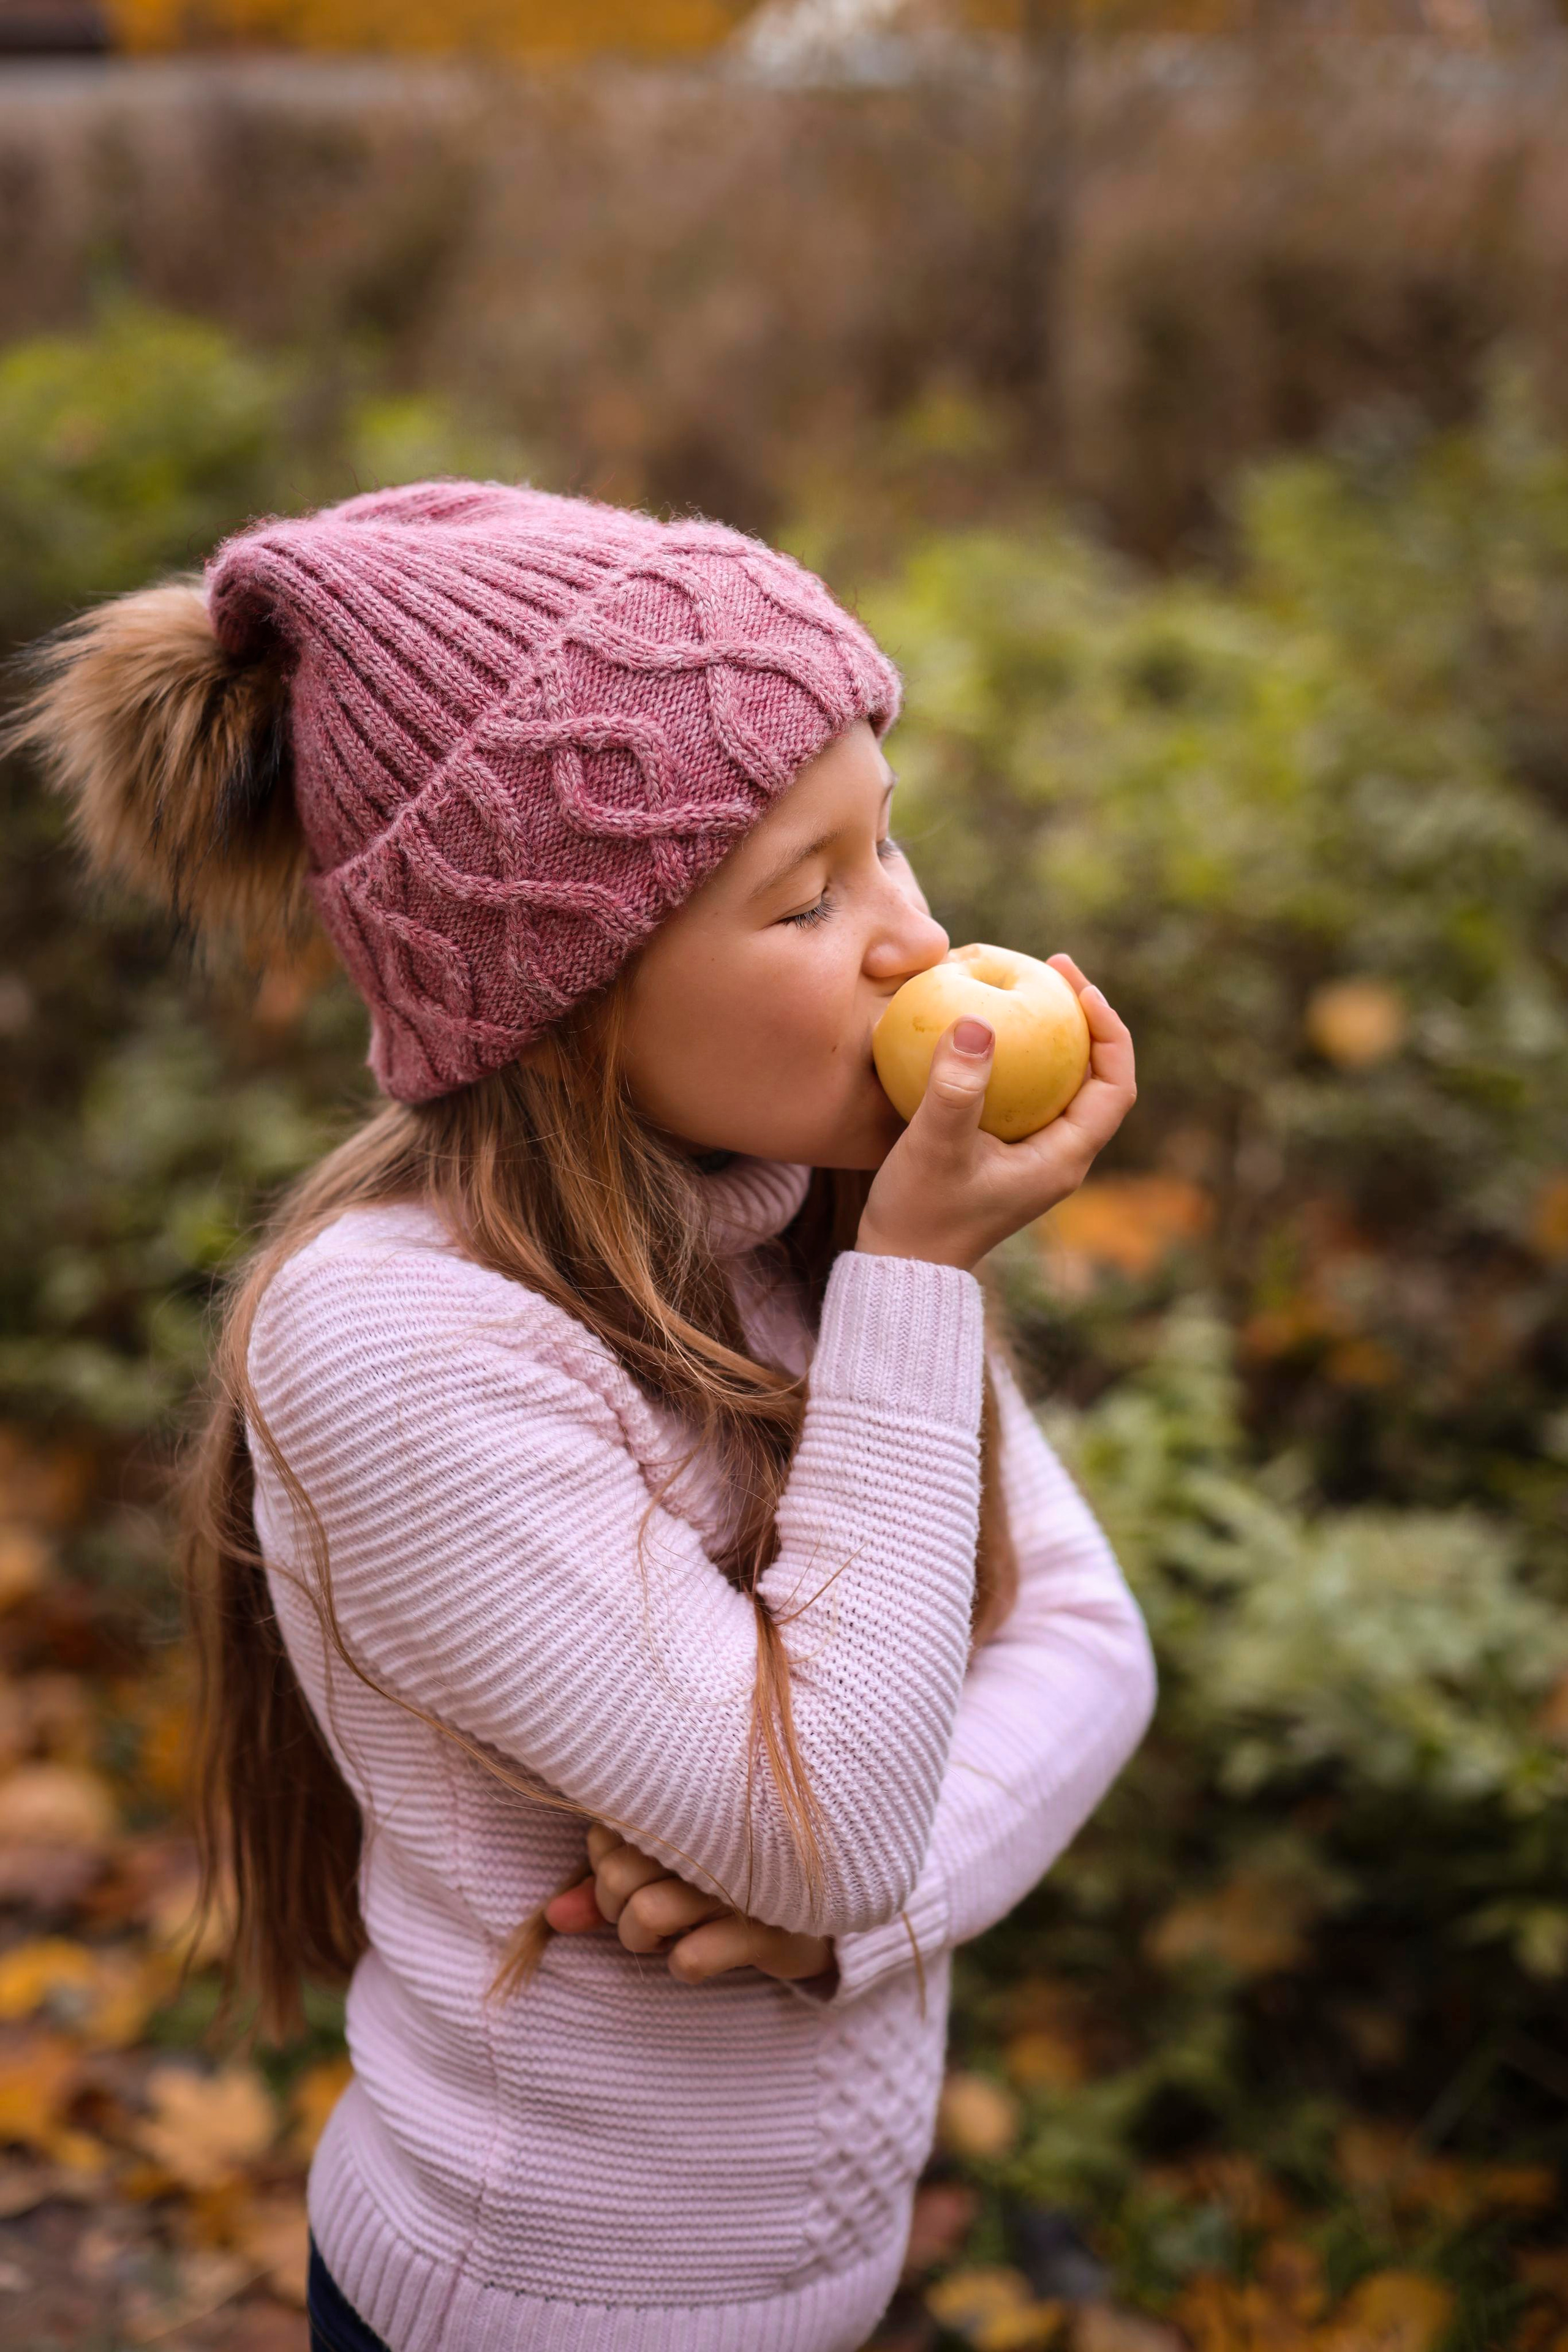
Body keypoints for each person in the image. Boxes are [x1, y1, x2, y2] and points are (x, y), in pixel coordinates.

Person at [10, 481, 1156, 2352]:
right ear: (562, 999)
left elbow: (1086, 1647)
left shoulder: (801, 1221)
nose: (914, 940)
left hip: (818, 2290)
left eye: (890, 846)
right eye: (808, 896)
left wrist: (856, 1916)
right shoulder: (399, 1343)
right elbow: (824, 1823)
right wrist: (925, 1283)